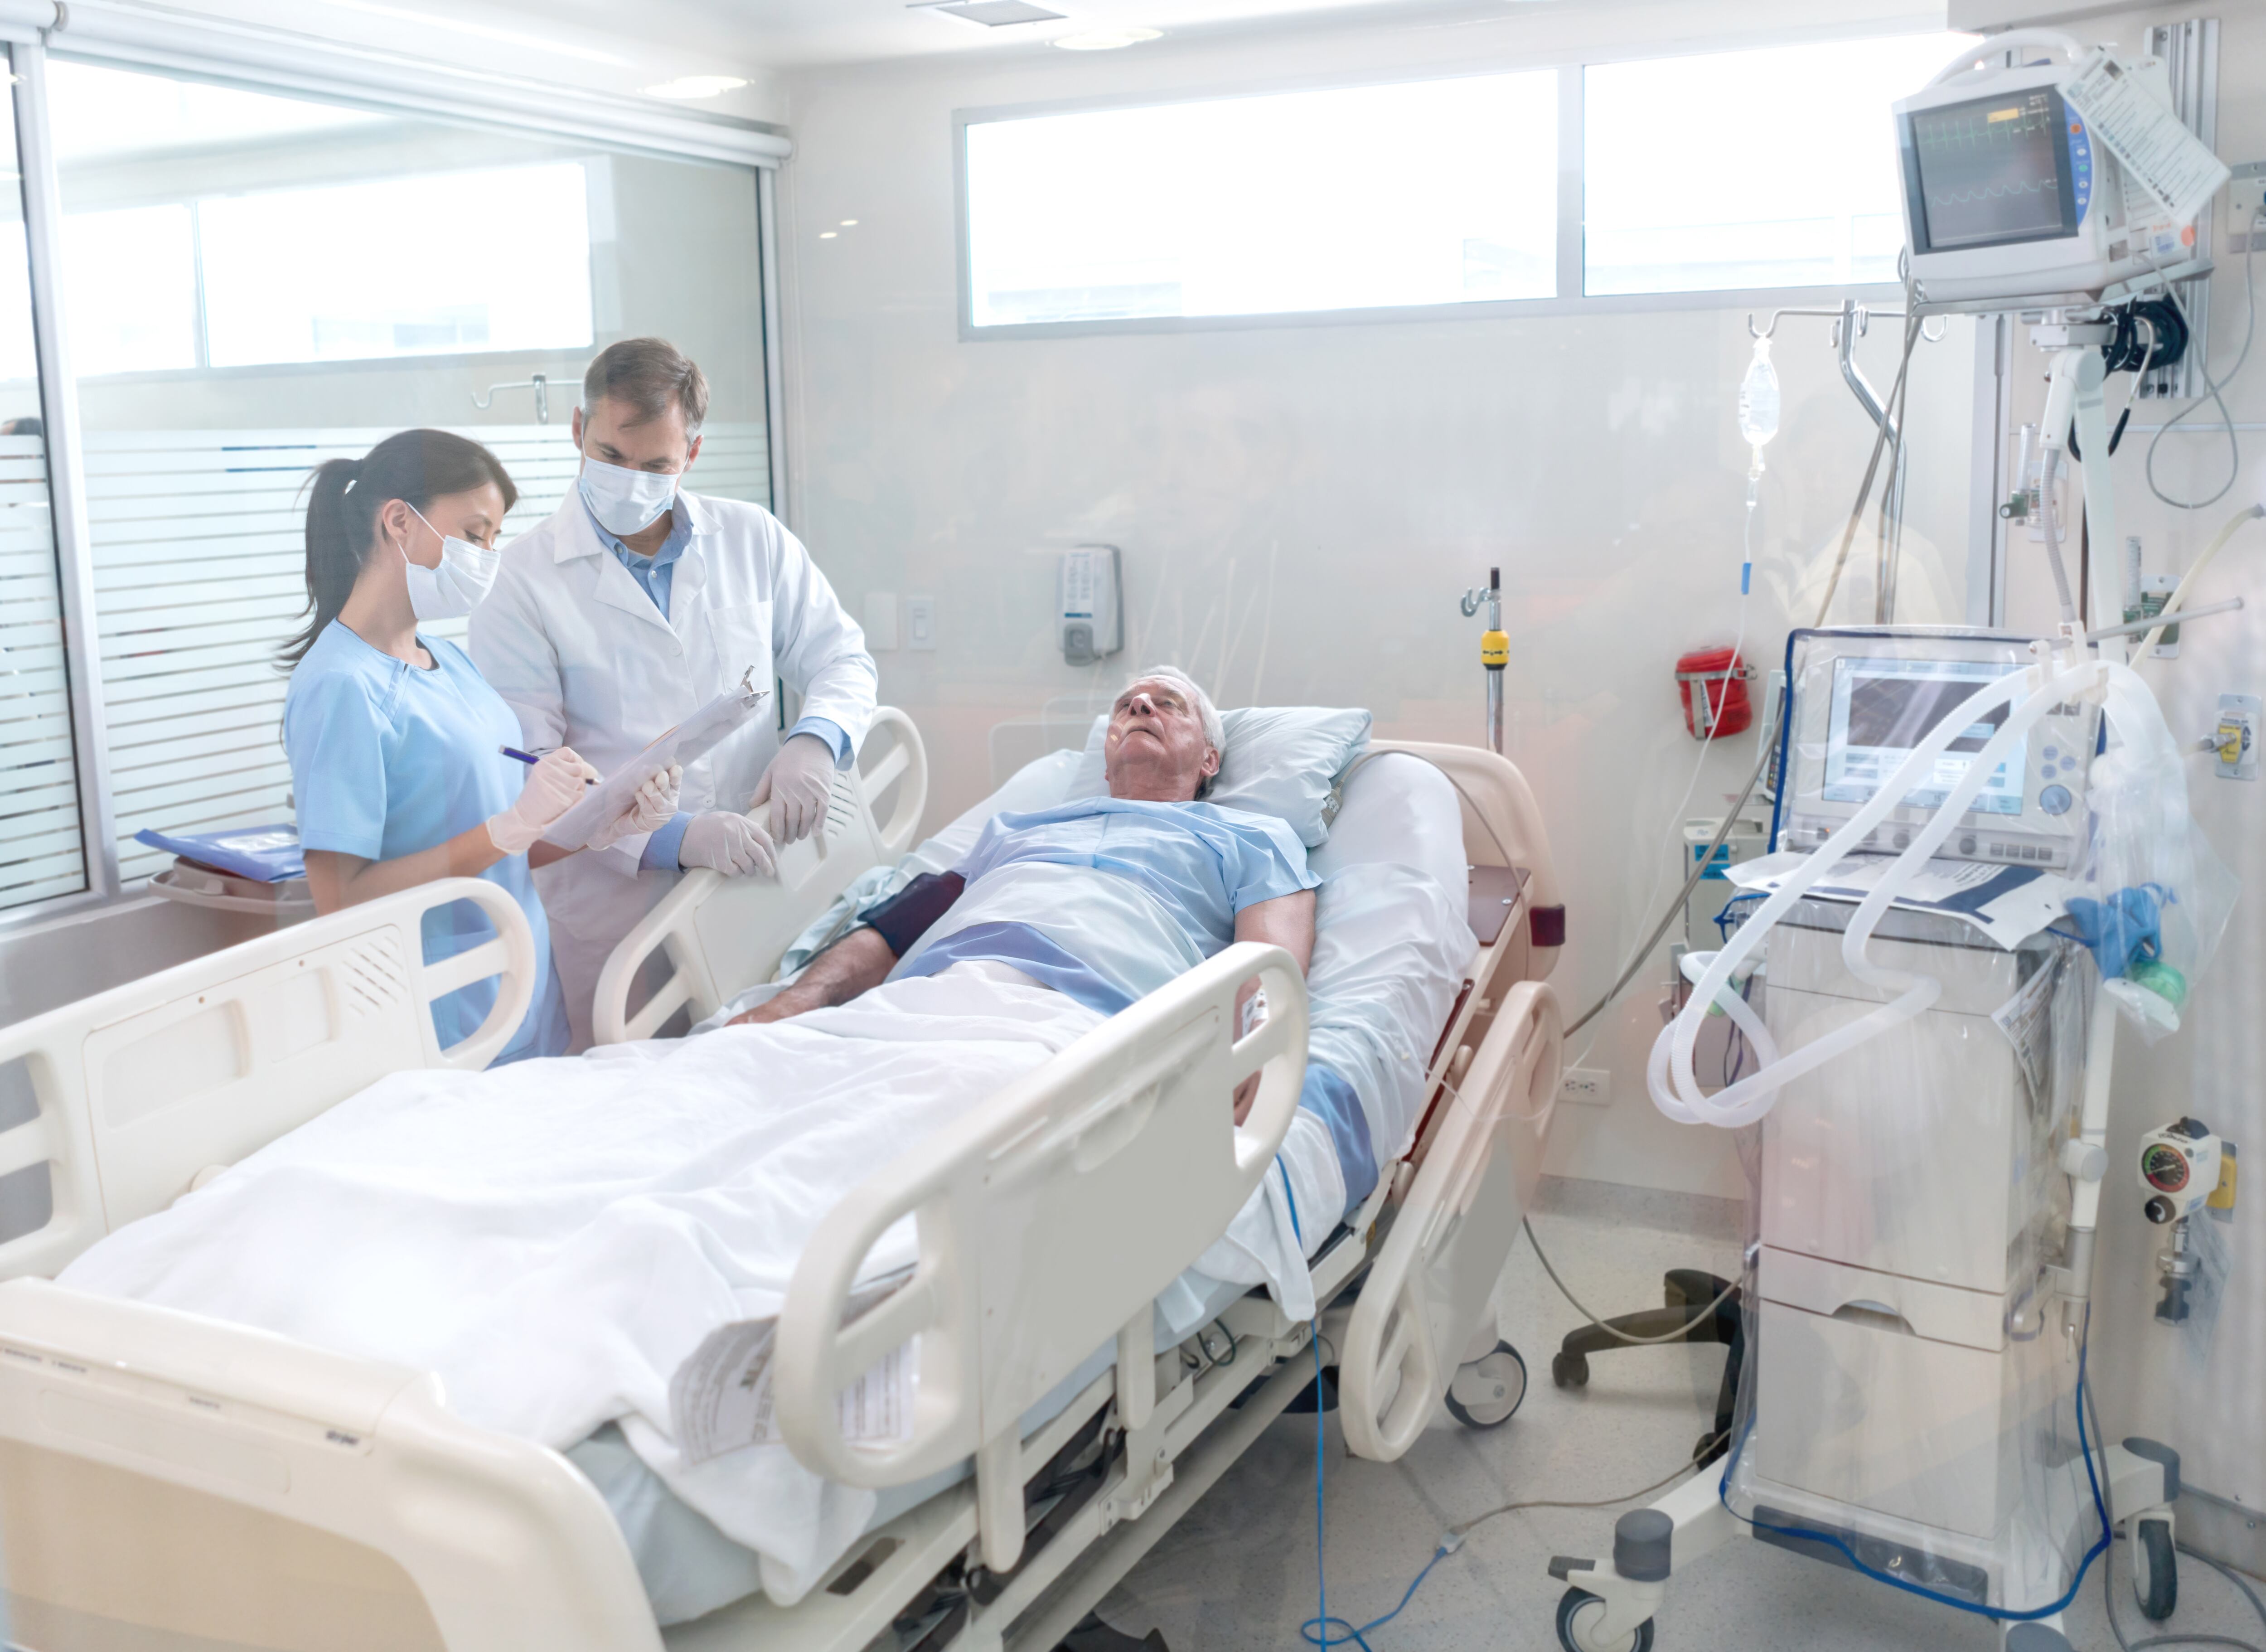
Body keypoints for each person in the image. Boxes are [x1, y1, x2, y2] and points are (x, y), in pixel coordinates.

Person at [471, 338, 878, 1047]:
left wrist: (815, 742)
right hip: (621, 916)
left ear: (690, 454)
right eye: (611, 456)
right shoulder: (519, 582)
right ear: (577, 429)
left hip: (758, 888)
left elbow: (840, 656)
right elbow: (529, 769)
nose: (631, 481)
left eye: (656, 465)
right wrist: (673, 837)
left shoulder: (753, 539)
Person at [736, 666, 1317, 1122]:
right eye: (1126, 706)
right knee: (741, 1093)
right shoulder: (1017, 830)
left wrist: (1256, 1046)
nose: (1140, 706)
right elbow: (896, 929)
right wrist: (793, 1002)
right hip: (926, 1002)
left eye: (1168, 705)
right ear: (1107, 757)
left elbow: (1267, 965)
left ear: (1210, 759)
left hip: (1086, 1020)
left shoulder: (1252, 837)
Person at [282, 429, 678, 1065]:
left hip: (520, 994)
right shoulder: (340, 687)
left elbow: (503, 844)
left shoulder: (448, 662)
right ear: (398, 522)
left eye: (494, 538)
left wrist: (598, 823)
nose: (488, 556)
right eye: (474, 534)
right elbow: (343, 900)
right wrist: (511, 826)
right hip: (437, 1021)